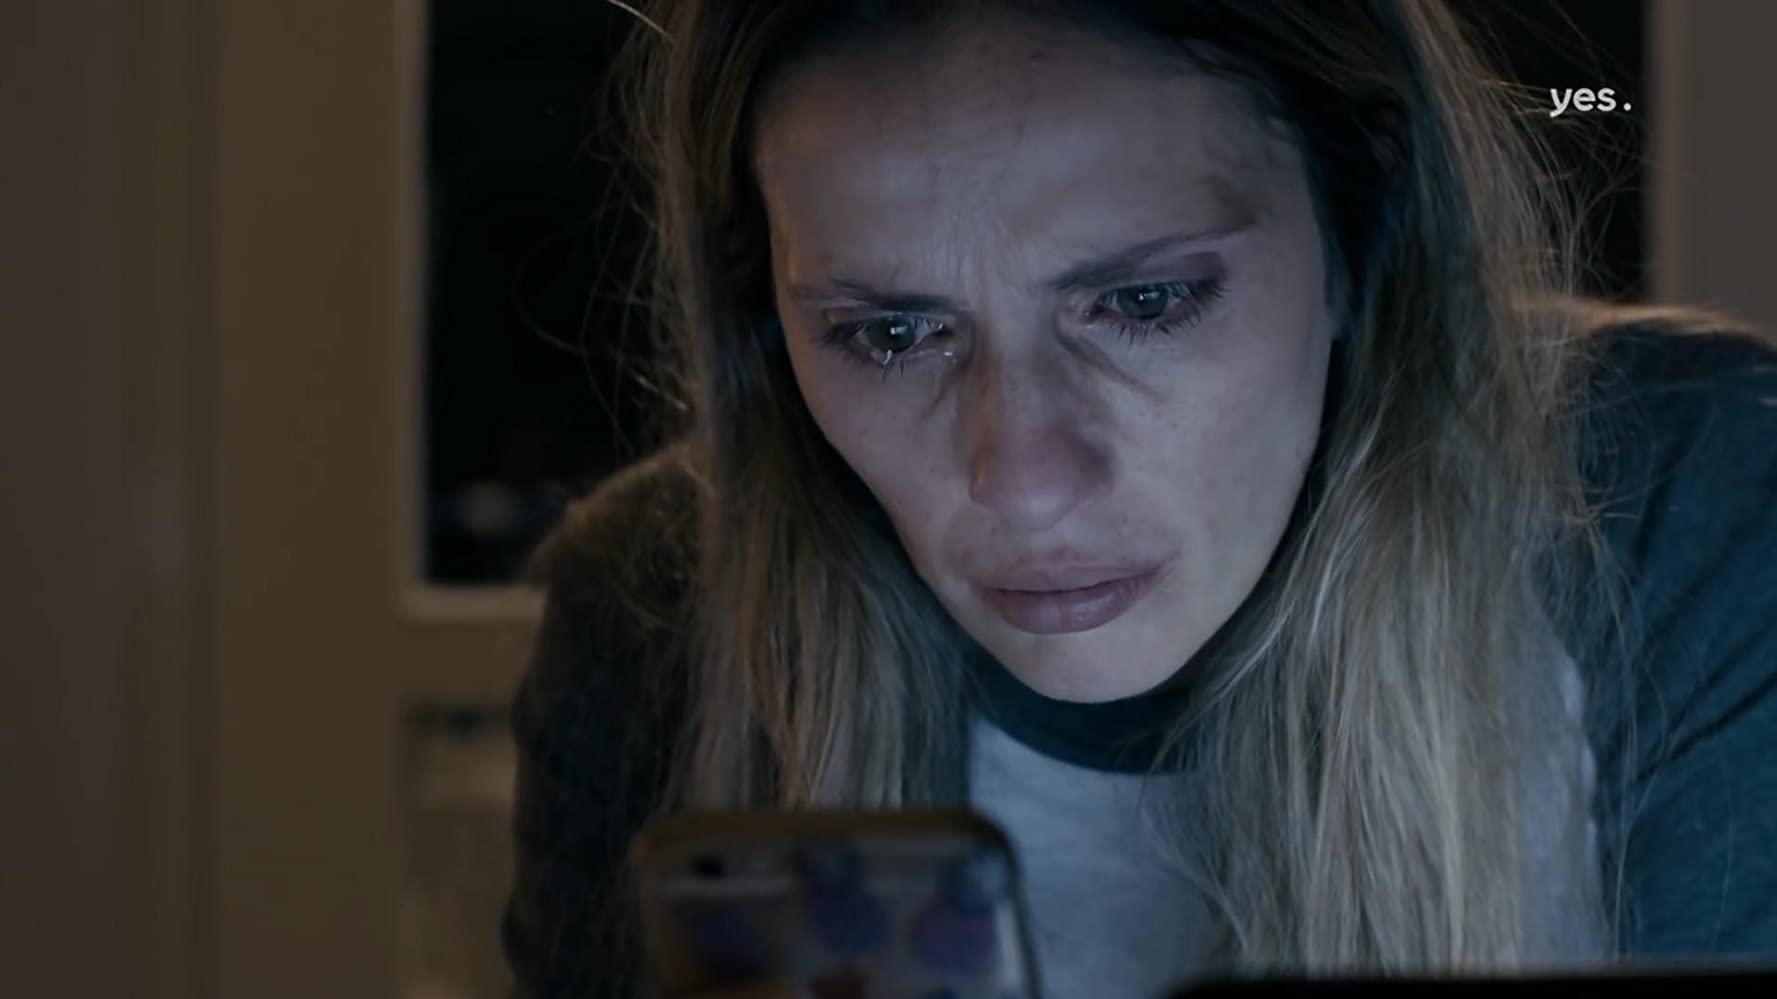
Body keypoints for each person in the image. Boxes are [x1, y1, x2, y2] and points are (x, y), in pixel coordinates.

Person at [500, 2, 1777, 996]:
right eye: (889, 334)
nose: (1024, 483)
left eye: (1146, 302)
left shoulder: (1689, 500)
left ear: (1361, 238)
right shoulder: (656, 604)